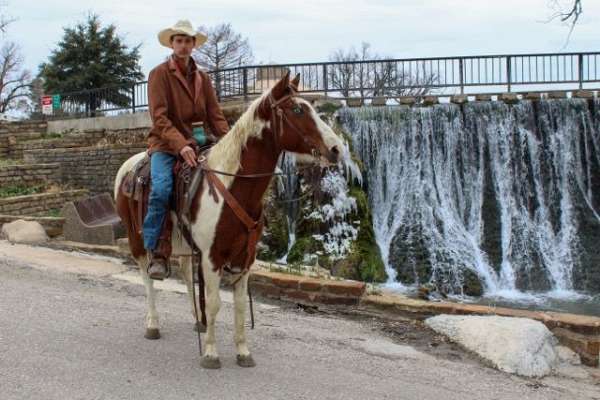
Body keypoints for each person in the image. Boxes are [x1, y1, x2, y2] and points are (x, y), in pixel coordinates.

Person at [143, 20, 230, 280]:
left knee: (226, 182)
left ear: (193, 45)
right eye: (178, 41)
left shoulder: (203, 78)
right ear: (172, 44)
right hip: (166, 145)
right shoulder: (159, 74)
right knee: (161, 190)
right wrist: (180, 145)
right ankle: (157, 251)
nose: (183, 45)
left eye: (187, 41)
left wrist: (229, 142)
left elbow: (215, 115)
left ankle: (224, 243)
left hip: (199, 142)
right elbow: (159, 118)